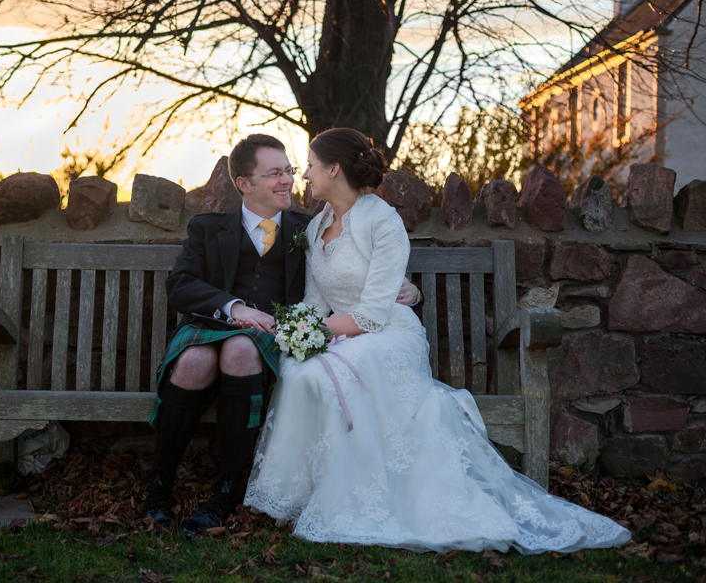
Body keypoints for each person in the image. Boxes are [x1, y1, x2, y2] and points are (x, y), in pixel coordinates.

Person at [244, 128, 632, 553]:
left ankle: (360, 501)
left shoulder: (382, 219)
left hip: (386, 334)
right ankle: (305, 495)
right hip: (341, 334)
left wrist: (314, 334)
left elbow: (373, 313)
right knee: (300, 370)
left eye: (312, 166)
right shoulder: (317, 224)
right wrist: (302, 331)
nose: (305, 175)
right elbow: (316, 299)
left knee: (325, 373)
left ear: (334, 168)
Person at [142, 133, 421, 535]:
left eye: (290, 170)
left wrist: (413, 292)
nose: (289, 180)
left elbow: (357, 278)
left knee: (240, 350)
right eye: (275, 173)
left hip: (265, 340)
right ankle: (159, 488)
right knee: (193, 359)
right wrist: (235, 308)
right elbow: (180, 285)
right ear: (244, 184)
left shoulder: (308, 229)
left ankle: (224, 493)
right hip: (209, 328)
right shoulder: (207, 228)